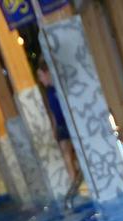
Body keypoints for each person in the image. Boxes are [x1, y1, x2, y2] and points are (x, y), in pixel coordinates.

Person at [38, 63, 81, 196]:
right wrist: (54, 128)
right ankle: (74, 184)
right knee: (66, 155)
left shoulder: (58, 86)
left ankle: (81, 177)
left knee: (76, 152)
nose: (40, 79)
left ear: (47, 73)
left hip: (70, 122)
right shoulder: (49, 91)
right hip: (61, 125)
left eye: (41, 75)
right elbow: (52, 112)